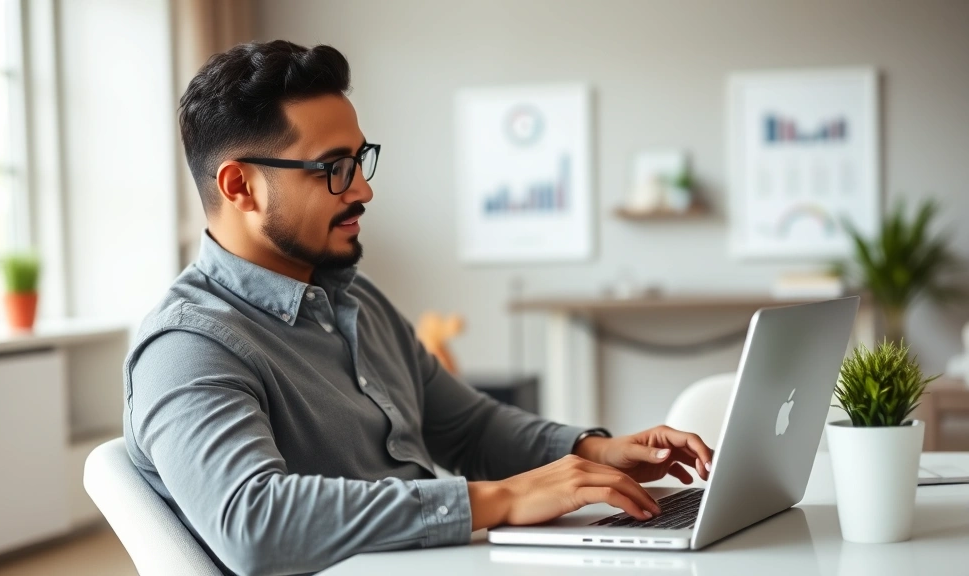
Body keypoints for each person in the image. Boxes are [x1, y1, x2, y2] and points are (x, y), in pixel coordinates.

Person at [124, 40, 714, 576]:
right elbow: (253, 525)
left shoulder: (355, 298)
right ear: (239, 187)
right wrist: (504, 498)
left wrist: (594, 453)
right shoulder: (186, 347)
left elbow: (468, 426)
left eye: (360, 161)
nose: (362, 190)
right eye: (334, 169)